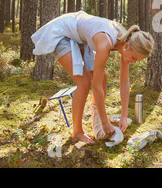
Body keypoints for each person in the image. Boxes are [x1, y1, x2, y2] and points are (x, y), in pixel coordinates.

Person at [32, 11, 154, 144]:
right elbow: (96, 87)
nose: (134, 62)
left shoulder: (126, 41)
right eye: (134, 58)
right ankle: (77, 132)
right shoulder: (105, 45)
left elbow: (124, 83)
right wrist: (106, 121)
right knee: (84, 82)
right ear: (127, 46)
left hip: (81, 37)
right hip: (62, 32)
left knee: (103, 78)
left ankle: (97, 123)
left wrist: (124, 116)